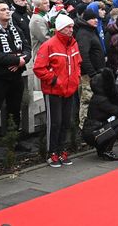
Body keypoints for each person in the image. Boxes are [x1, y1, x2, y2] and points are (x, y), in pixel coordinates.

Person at [0, 1, 32, 161]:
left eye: (8, 9)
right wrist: (16, 61)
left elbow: (27, 48)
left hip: (15, 76)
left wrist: (21, 61)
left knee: (15, 109)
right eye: (3, 10)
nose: (7, 12)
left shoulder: (15, 28)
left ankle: (14, 140)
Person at [33, 14, 82, 168]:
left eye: (72, 26)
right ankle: (51, 152)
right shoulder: (49, 45)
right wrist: (54, 80)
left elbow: (78, 62)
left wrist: (76, 77)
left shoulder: (73, 43)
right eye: (68, 27)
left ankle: (61, 150)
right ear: (60, 28)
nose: (71, 29)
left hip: (69, 89)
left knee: (66, 122)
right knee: (55, 122)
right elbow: (39, 68)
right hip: (54, 91)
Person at [82, 68, 118, 161]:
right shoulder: (101, 100)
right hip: (93, 133)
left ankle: (102, 149)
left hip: (94, 130)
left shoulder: (99, 97)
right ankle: (107, 150)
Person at [74, 8, 106, 128]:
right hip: (88, 75)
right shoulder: (83, 33)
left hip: (96, 73)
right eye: (93, 18)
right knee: (87, 100)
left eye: (96, 18)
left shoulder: (91, 31)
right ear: (87, 20)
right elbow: (83, 55)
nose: (96, 20)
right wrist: (92, 73)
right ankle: (84, 126)